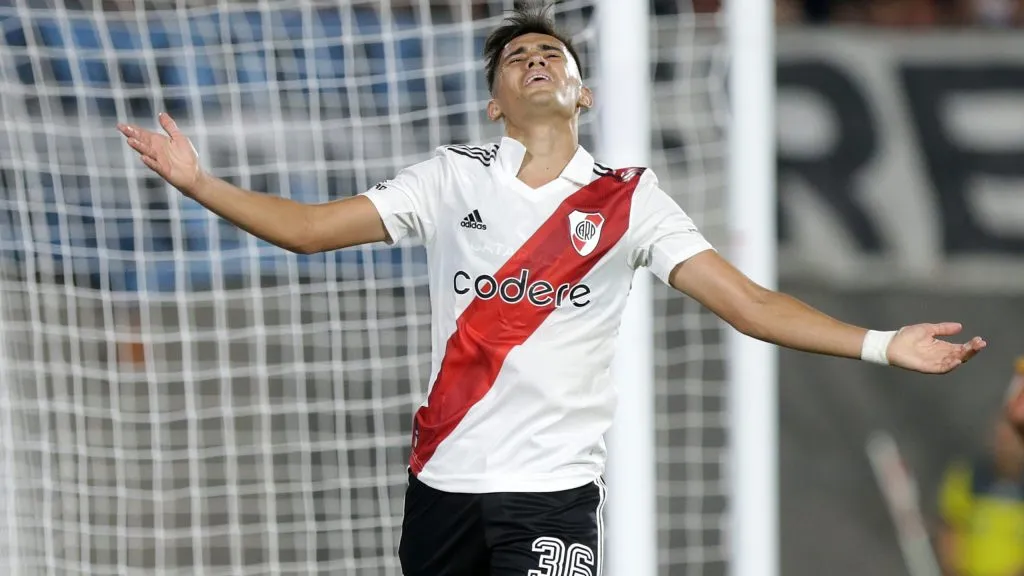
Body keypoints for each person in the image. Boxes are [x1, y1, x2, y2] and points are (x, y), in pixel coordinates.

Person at [117, 4, 986, 575]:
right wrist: (199, 182)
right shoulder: (450, 178)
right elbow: (306, 230)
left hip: (553, 492)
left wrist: (881, 343)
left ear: (586, 93)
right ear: (495, 101)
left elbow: (750, 304)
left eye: (553, 52)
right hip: (441, 484)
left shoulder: (629, 199)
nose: (535, 59)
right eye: (516, 57)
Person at [939, 358, 1024, 576]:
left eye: (1017, 436)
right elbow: (951, 531)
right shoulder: (967, 477)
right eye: (1001, 435)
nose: (1005, 444)